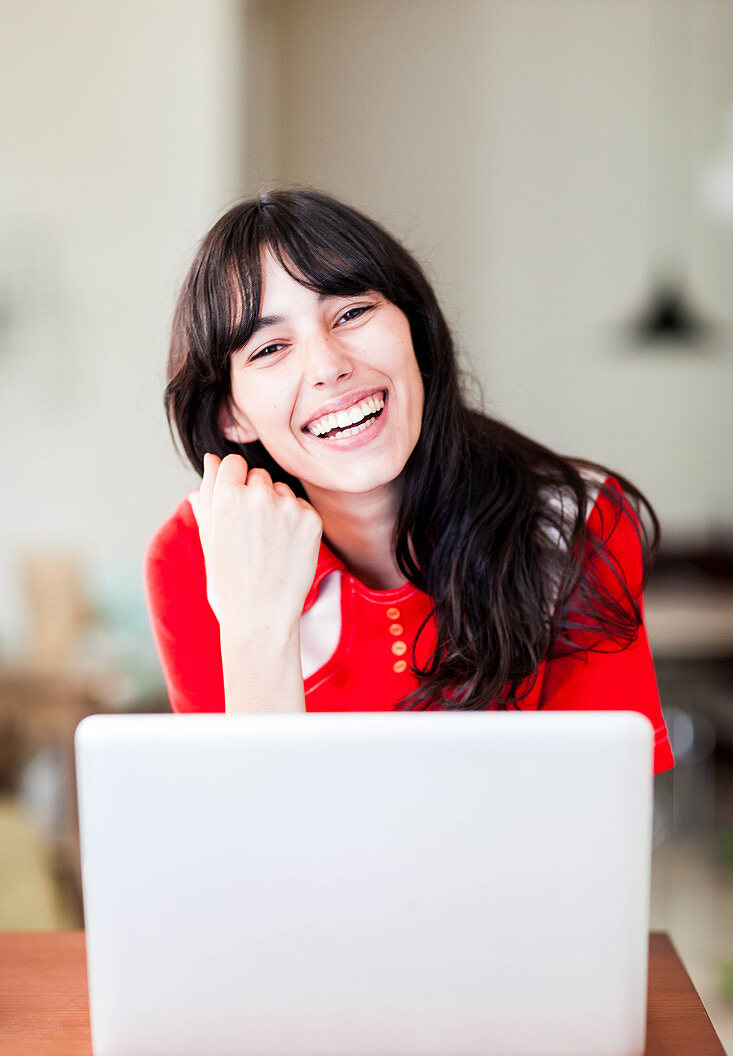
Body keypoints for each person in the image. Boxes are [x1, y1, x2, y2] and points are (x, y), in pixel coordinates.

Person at [144, 188, 674, 774]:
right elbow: (244, 841)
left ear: (414, 331)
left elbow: (598, 821)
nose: (328, 366)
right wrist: (254, 628)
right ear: (231, 415)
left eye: (351, 312)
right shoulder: (197, 555)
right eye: (270, 347)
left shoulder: (573, 519)